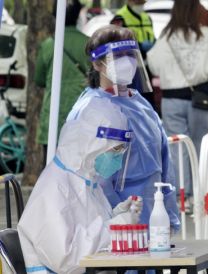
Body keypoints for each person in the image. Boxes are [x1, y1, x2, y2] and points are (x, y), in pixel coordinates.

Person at [71, 25, 180, 231]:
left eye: (130, 54)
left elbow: (165, 165)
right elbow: (90, 176)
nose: (126, 61)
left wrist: (170, 214)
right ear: (97, 64)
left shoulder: (141, 105)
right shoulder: (91, 109)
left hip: (153, 218)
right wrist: (115, 218)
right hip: (115, 223)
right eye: (118, 56)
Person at [18, 98, 143, 274]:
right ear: (92, 144)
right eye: (115, 150)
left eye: (122, 151)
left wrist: (116, 216)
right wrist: (115, 228)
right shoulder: (53, 188)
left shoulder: (86, 182)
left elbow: (87, 231)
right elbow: (67, 260)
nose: (119, 161)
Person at [147, 0, 208, 210]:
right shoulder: (207, 36)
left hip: (172, 100)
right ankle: (198, 196)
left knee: (177, 148)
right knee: (200, 146)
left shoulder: (167, 35)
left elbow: (154, 65)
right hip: (199, 100)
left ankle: (181, 197)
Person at [35, 0, 89, 161]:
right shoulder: (88, 44)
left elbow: (39, 80)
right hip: (82, 117)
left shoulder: (48, 45)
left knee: (52, 170)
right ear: (78, 15)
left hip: (53, 118)